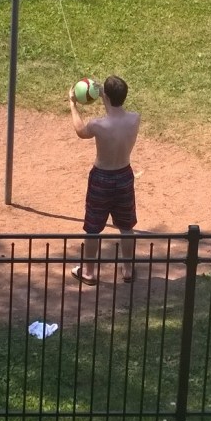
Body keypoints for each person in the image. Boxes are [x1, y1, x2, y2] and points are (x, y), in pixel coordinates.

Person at [69, 74, 140, 285]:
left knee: (93, 227)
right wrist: (104, 94)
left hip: (101, 178)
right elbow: (115, 110)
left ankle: (89, 273)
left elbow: (81, 131)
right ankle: (128, 270)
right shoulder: (135, 118)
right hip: (124, 176)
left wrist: (73, 104)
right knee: (126, 226)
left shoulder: (98, 125)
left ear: (105, 96)